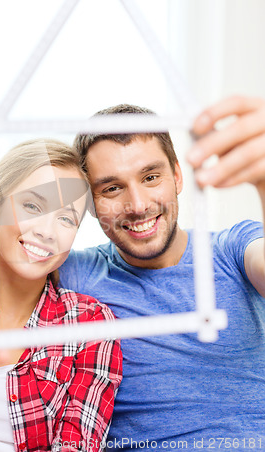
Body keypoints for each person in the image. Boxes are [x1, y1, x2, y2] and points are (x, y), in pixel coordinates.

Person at [56, 95, 265, 451]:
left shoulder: (234, 248)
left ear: (178, 175)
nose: (137, 206)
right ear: (90, 203)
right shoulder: (75, 274)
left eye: (150, 177)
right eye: (112, 188)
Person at [0, 138, 122, 452]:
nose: (47, 231)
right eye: (32, 206)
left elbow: (79, 444)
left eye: (66, 218)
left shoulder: (90, 324)